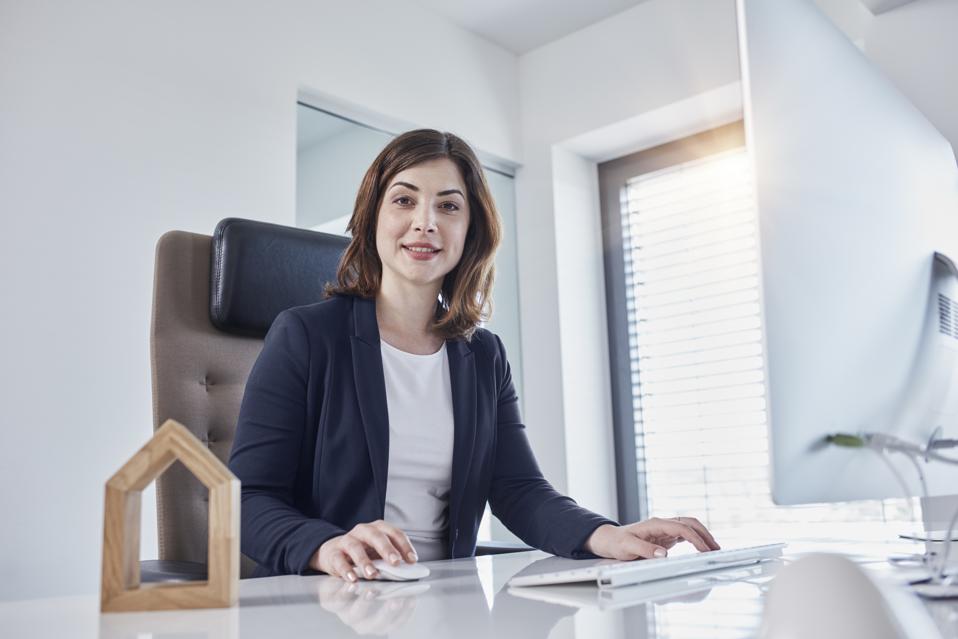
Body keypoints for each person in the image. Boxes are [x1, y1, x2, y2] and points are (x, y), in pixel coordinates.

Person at [228, 129, 720, 582]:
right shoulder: (307, 337)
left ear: (470, 231)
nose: (425, 223)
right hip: (331, 602)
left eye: (448, 207)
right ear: (372, 217)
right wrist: (328, 545)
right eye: (404, 200)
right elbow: (246, 500)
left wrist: (608, 536)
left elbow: (519, 489)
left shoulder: (482, 355)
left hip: (447, 599)